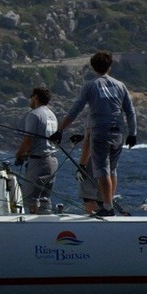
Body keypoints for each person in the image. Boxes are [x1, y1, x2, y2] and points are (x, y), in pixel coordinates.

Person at [52, 51, 137, 217]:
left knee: (102, 169)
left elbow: (75, 110)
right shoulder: (120, 86)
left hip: (100, 131)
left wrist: (60, 129)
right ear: (110, 67)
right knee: (113, 169)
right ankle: (109, 202)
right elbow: (130, 111)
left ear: (93, 67)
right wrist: (133, 133)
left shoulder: (90, 86)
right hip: (118, 132)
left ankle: (107, 207)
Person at [13, 86, 58, 214]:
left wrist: (20, 154)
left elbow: (28, 139)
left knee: (31, 201)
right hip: (52, 161)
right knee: (44, 201)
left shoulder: (34, 114)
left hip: (39, 162)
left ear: (36, 97)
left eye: (31, 97)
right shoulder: (52, 115)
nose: (30, 100)